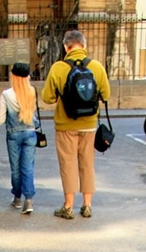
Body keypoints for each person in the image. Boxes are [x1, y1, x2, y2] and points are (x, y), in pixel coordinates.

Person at [41, 29, 110, 220]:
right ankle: (87, 205)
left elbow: (47, 97)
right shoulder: (96, 67)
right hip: (89, 124)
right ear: (84, 46)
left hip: (65, 124)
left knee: (68, 164)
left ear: (66, 47)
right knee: (87, 164)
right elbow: (106, 94)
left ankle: (68, 206)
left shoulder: (58, 67)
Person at [0, 62, 39, 215]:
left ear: (13, 76)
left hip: (13, 135)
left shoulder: (6, 94)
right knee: (28, 167)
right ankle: (29, 200)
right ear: (27, 76)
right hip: (30, 132)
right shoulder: (32, 91)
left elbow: (0, 120)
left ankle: (17, 198)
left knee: (15, 169)